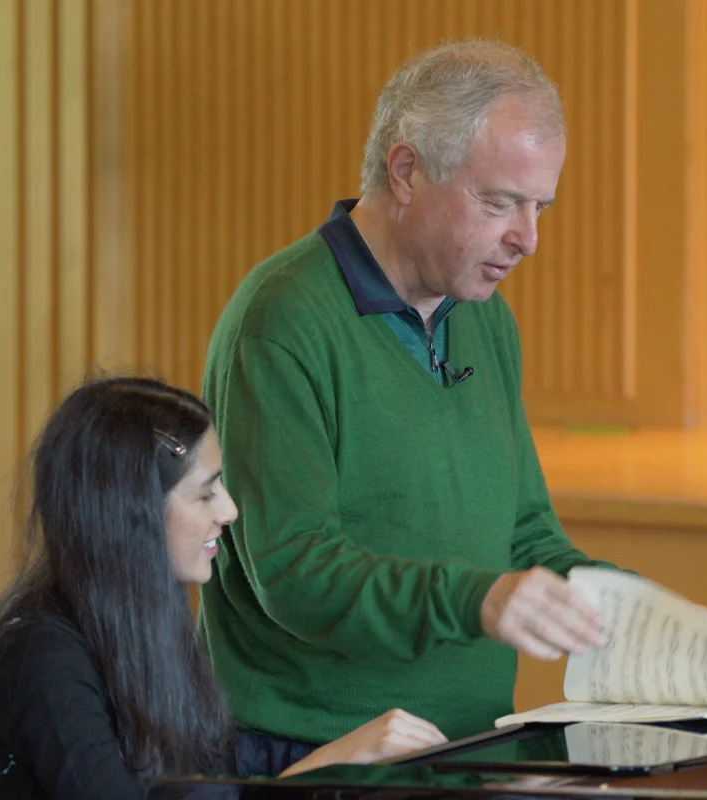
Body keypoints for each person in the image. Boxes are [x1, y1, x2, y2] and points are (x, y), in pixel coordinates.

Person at [199, 39, 626, 762]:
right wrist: (476, 600)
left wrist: (643, 610)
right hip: (321, 746)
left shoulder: (486, 317)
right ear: (406, 172)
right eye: (499, 203)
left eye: (540, 207)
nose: (528, 239)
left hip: (472, 740)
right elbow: (295, 573)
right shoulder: (282, 319)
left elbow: (523, 537)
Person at [0, 376, 448, 800]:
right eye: (205, 494)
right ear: (130, 515)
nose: (229, 510)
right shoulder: (40, 658)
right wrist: (329, 763)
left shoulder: (136, 623)